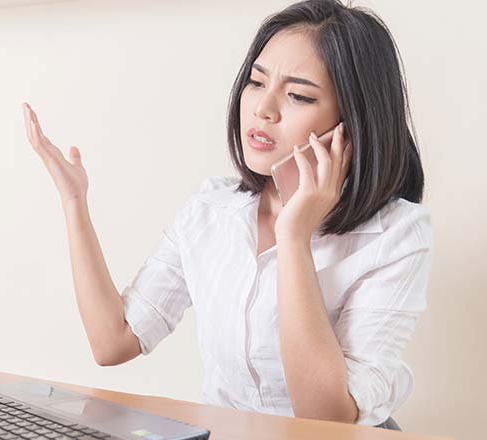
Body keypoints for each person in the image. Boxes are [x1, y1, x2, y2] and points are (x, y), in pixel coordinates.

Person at [22, 0, 432, 430]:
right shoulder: (211, 211)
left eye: (298, 95)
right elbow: (113, 342)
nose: (263, 109)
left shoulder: (396, 234)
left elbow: (325, 419)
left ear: (352, 124)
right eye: (256, 83)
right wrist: (74, 203)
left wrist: (294, 238)